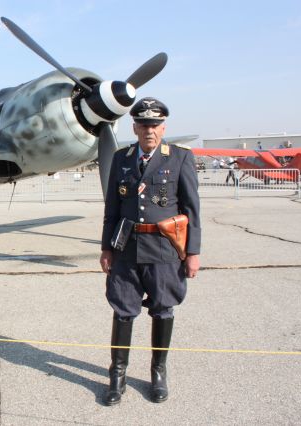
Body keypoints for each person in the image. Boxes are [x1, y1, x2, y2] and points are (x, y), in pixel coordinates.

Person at [99, 97, 201, 405]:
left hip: (164, 250)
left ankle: (158, 373)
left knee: (163, 309)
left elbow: (191, 209)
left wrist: (193, 252)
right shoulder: (122, 158)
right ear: (135, 127)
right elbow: (112, 208)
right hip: (127, 248)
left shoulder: (179, 158)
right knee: (123, 311)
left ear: (163, 127)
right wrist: (106, 248)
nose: (150, 131)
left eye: (155, 125)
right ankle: (117, 376)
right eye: (144, 125)